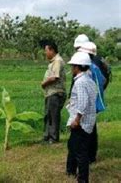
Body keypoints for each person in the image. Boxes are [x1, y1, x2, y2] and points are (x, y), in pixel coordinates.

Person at [66, 52, 97, 183]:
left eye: (73, 66)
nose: (72, 68)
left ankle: (83, 179)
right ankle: (71, 170)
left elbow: (83, 103)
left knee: (80, 152)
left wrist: (77, 120)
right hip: (89, 121)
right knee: (73, 145)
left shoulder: (80, 82)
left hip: (81, 123)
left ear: (77, 67)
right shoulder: (89, 80)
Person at [77, 41, 108, 164]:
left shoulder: (89, 69)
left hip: (88, 104)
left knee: (87, 131)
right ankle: (92, 155)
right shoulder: (95, 67)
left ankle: (88, 156)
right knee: (92, 129)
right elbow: (104, 80)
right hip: (94, 103)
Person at [41, 41, 66, 143]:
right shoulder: (53, 62)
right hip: (51, 93)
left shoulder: (57, 61)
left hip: (55, 92)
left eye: (46, 50)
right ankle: (47, 136)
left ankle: (53, 138)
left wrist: (44, 83)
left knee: (53, 116)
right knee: (48, 115)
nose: (45, 53)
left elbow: (55, 77)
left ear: (52, 50)